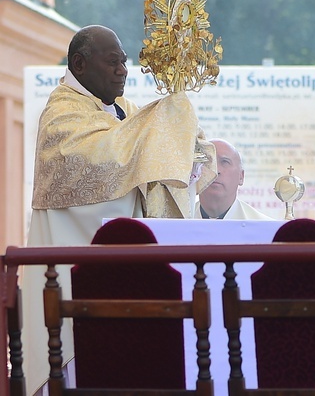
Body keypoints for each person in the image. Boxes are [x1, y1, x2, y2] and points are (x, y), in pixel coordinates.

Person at [24, 25, 216, 392]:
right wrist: (160, 127)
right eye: (112, 62)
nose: (122, 70)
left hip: (129, 273)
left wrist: (186, 155)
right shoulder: (62, 113)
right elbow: (104, 163)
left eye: (124, 62)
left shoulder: (124, 111)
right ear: (79, 64)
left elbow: (147, 158)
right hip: (71, 271)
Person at [195, 138, 272, 220]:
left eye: (225, 162)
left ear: (241, 177)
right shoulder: (181, 222)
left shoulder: (264, 227)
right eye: (207, 162)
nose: (216, 171)